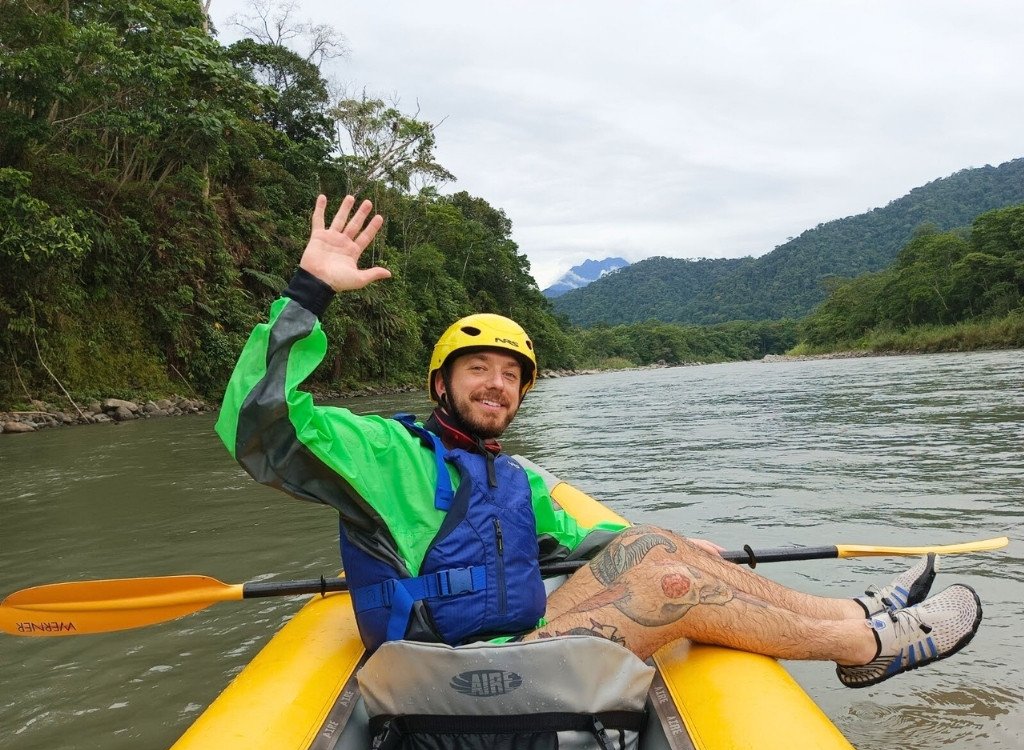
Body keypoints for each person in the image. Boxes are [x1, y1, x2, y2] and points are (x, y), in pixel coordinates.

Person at [217, 194, 983, 689]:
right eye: (476, 369)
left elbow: (605, 538)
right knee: (668, 584)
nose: (496, 385)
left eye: (511, 376)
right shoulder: (383, 456)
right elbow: (259, 425)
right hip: (433, 674)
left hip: (509, 651)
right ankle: (862, 647)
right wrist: (309, 291)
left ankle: (850, 614)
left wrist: (680, 545)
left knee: (661, 549)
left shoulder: (512, 479)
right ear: (439, 385)